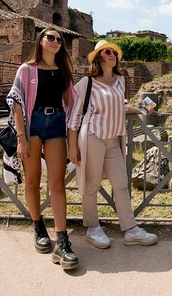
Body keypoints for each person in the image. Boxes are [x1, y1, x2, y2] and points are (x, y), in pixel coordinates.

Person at [68, 40, 158, 250]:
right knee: (91, 185)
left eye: (114, 52)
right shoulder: (86, 83)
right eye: (107, 52)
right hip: (93, 137)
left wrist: (141, 109)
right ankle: (92, 228)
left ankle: (130, 229)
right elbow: (75, 115)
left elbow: (119, 107)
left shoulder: (120, 81)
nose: (112, 55)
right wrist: (72, 146)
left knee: (121, 183)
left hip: (113, 140)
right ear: (99, 57)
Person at [7, 27, 78, 270]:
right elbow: (17, 102)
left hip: (57, 123)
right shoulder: (27, 69)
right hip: (33, 124)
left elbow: (72, 104)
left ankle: (62, 240)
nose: (56, 41)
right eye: (51, 37)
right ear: (40, 40)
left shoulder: (64, 71)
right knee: (32, 180)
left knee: (57, 183)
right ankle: (38, 226)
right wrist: (21, 137)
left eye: (59, 39)